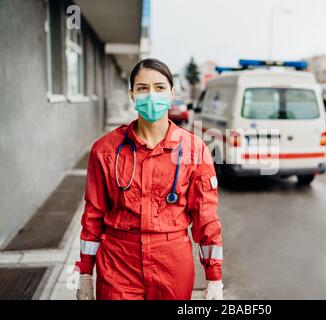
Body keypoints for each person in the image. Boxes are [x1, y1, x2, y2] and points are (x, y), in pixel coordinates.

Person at [74, 58, 223, 300]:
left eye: (160, 87)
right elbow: (93, 215)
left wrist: (214, 277)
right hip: (118, 263)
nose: (151, 95)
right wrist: (84, 272)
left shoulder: (195, 150)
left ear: (172, 93)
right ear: (132, 94)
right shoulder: (105, 150)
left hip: (172, 264)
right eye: (142, 88)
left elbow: (206, 217)